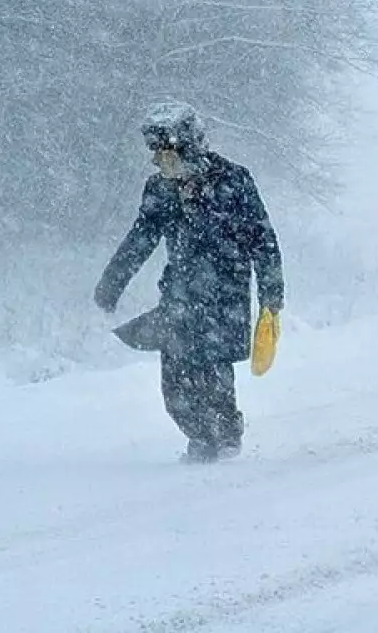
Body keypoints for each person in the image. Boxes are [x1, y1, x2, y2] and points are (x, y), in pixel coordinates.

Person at [94, 102, 284, 463]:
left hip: (225, 295)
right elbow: (141, 237)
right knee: (175, 381)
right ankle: (199, 437)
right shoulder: (160, 190)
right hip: (179, 296)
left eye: (164, 153)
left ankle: (226, 437)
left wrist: (271, 295)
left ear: (189, 148)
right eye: (155, 154)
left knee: (212, 372)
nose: (157, 162)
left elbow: (264, 240)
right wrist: (112, 282)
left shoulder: (234, 181)